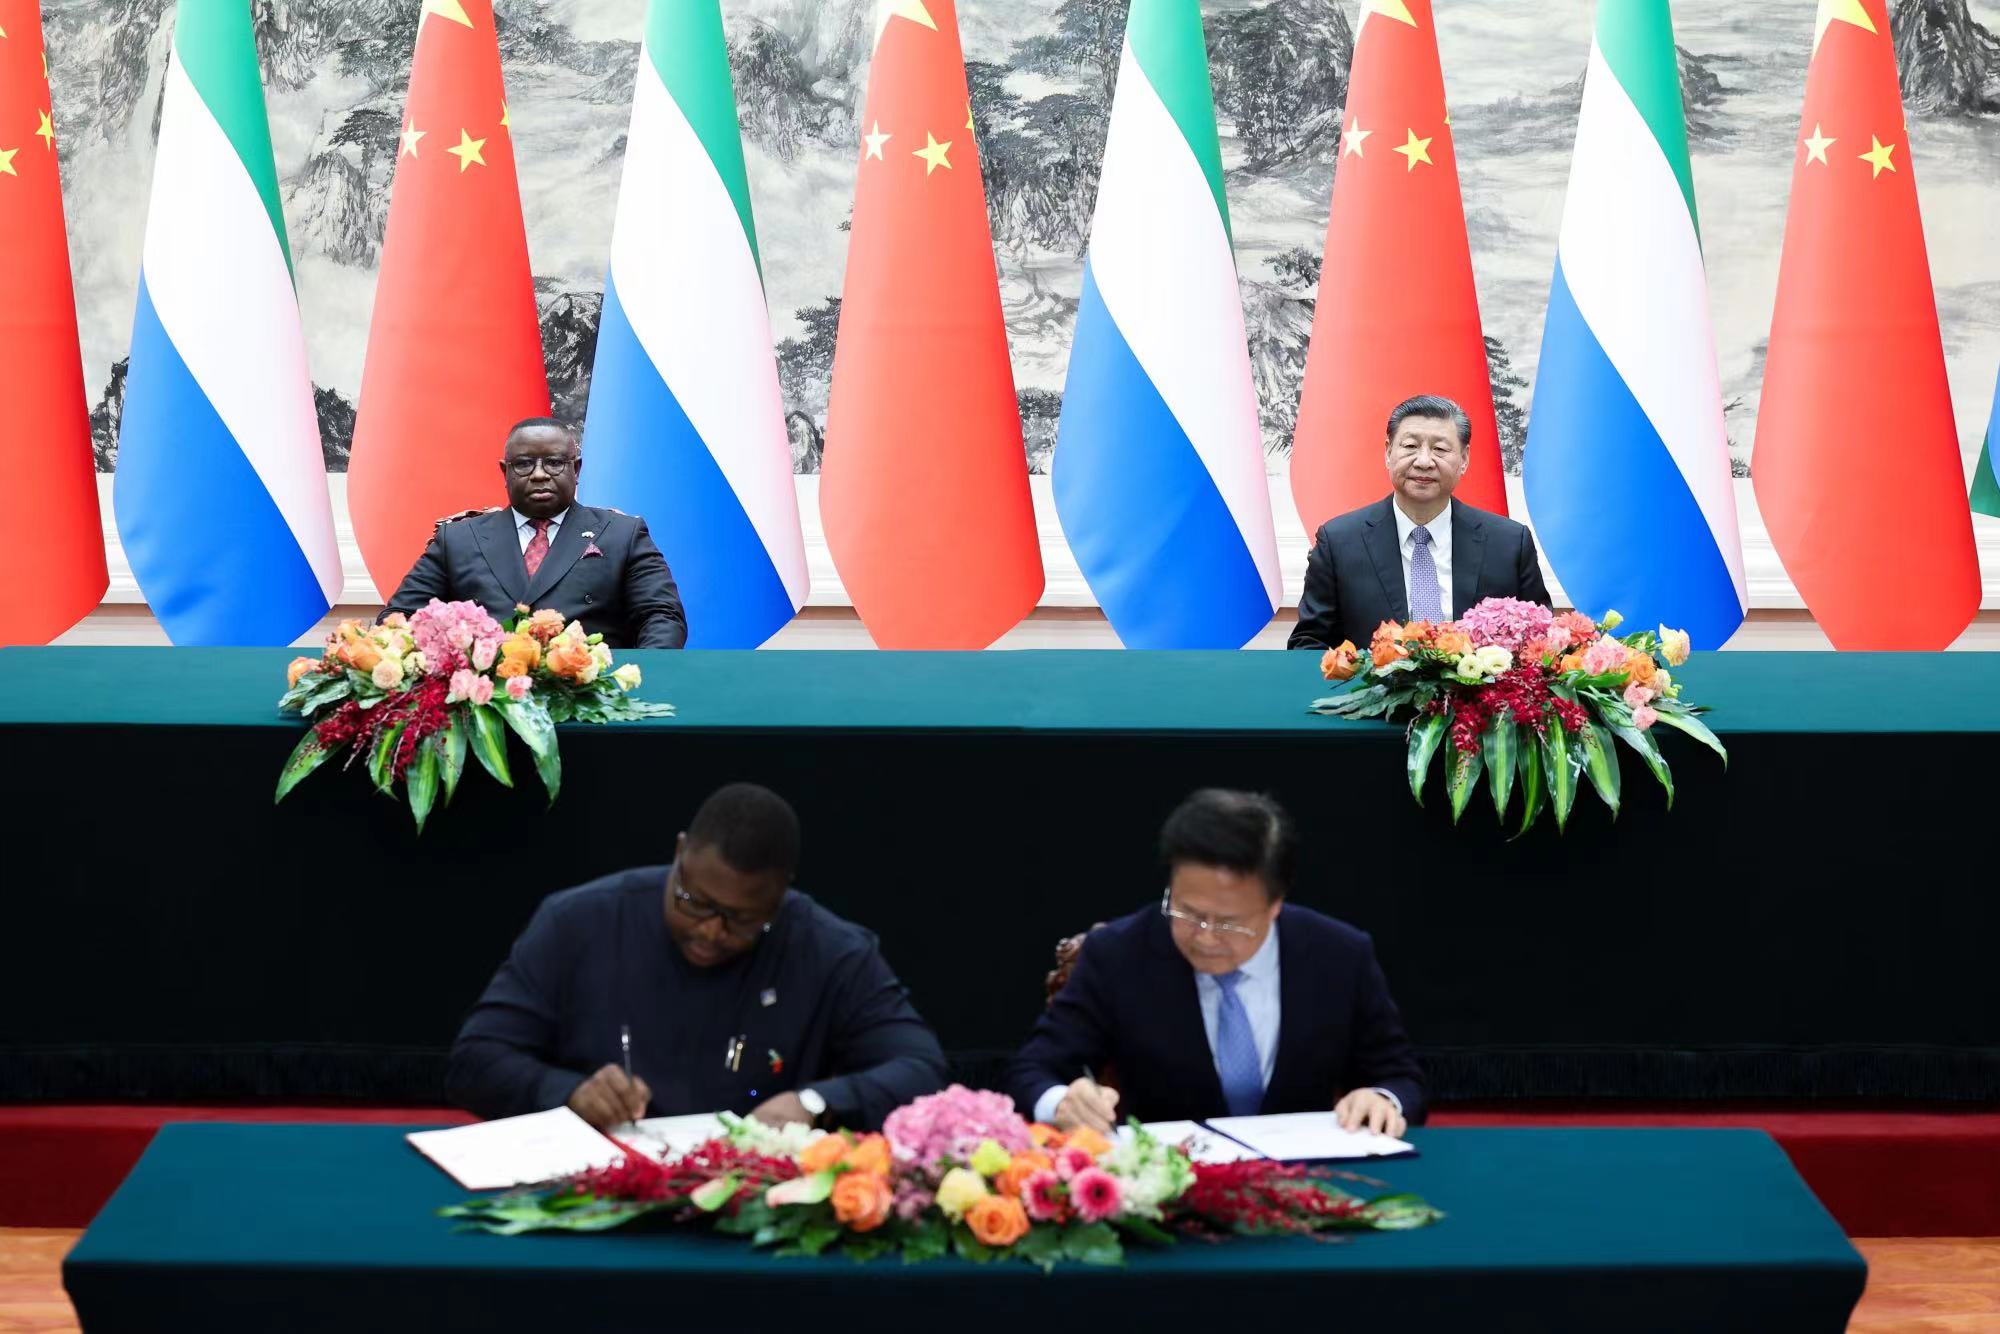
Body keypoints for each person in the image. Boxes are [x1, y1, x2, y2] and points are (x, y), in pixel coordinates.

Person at [446, 783, 948, 1130]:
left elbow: (922, 1067)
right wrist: (567, 1092)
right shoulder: (578, 920)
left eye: (742, 919)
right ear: (679, 853)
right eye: (695, 902)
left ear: (780, 896)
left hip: (755, 1193)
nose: (711, 931)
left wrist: (815, 1102)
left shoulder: (829, 949)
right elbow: (475, 1061)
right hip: (593, 1180)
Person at [1008, 789, 1425, 1136]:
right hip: (1169, 1183)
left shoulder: (1339, 955)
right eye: (1187, 912)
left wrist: (1382, 1099)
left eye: (1229, 923)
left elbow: (1401, 1077)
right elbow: (1032, 1069)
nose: (1205, 936)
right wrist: (1062, 1102)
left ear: (1275, 904)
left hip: (1310, 1180)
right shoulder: (1117, 954)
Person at [382, 417, 687, 649]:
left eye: (554, 463)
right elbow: (399, 617)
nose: (539, 474)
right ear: (505, 472)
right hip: (483, 700)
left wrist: (639, 682)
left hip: (589, 699)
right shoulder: (458, 539)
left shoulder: (622, 534)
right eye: (524, 464)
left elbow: (661, 616)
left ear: (576, 470)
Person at [1290, 394, 1550, 652]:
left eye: (1440, 449)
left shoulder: (1508, 544)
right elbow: (1308, 644)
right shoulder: (1339, 542)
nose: (1424, 461)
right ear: (1388, 452)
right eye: (1410, 446)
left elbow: (1541, 642)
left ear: (1464, 459)